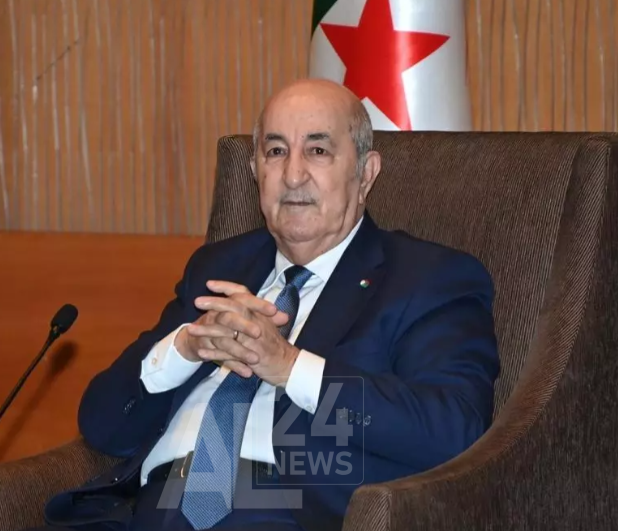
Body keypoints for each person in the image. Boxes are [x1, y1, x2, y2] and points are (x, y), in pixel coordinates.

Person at [38, 79, 500, 531]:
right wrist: (185, 348)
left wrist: (289, 366)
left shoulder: (425, 277)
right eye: (276, 151)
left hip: (285, 509)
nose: (293, 175)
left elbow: (454, 430)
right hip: (150, 508)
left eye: (317, 150)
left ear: (365, 173)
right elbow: (102, 425)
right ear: (256, 171)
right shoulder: (219, 267)